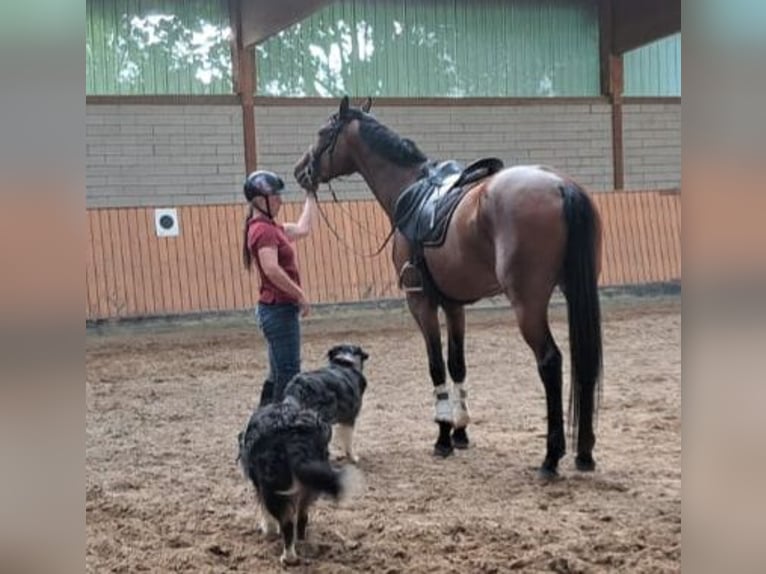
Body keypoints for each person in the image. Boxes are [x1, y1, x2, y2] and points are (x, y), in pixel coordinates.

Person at [241, 170, 317, 406]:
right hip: (279, 310)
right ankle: (279, 425)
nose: (280, 200)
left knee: (277, 374)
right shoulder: (263, 230)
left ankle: (261, 422)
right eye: (275, 196)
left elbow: (303, 228)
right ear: (259, 200)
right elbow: (271, 269)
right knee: (288, 373)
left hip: (277, 310)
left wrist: (311, 194)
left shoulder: (272, 228)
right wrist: (300, 294)